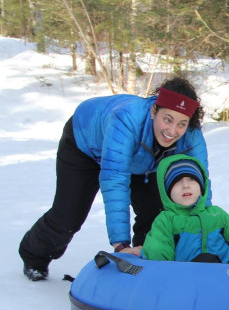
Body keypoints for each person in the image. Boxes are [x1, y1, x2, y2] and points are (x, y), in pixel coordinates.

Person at [19, 76, 209, 281]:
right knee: (69, 215)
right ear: (154, 111)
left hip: (144, 162)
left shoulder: (192, 137)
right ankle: (34, 256)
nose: (172, 131)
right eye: (167, 119)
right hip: (86, 146)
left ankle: (147, 266)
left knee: (156, 216)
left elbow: (200, 190)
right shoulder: (126, 120)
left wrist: (204, 239)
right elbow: (115, 180)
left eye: (181, 124)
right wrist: (121, 245)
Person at [140, 155, 229, 264]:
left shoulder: (217, 215)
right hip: (191, 278)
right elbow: (158, 249)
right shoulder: (167, 220)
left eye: (191, 179)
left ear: (202, 186)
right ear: (167, 192)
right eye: (178, 181)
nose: (186, 186)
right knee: (206, 260)